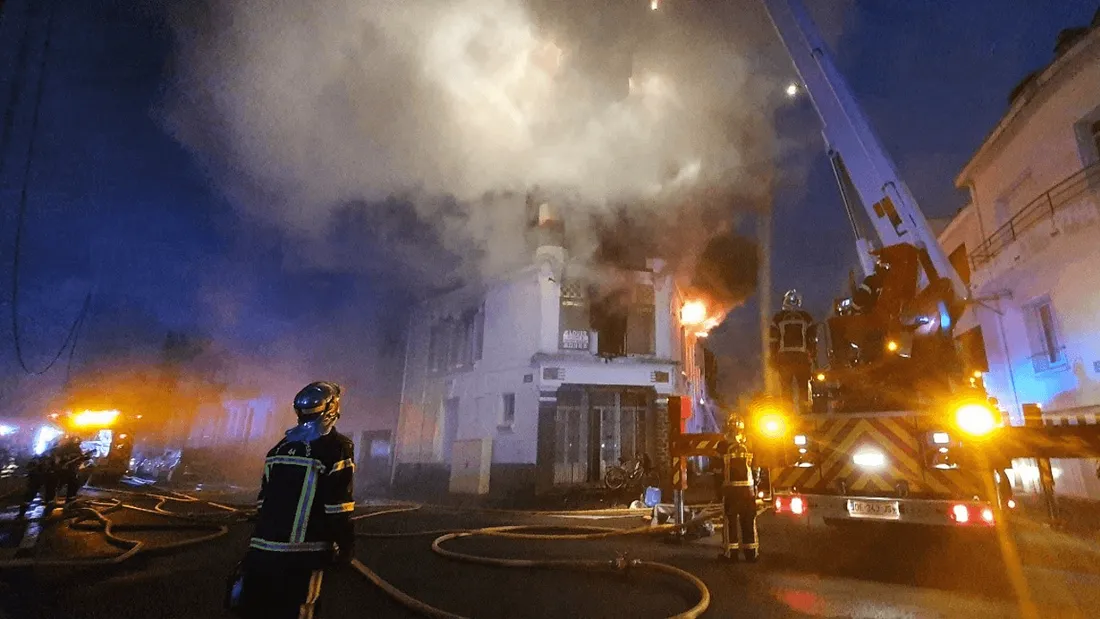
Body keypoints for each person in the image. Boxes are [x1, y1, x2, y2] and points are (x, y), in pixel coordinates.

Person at [242, 381, 356, 619]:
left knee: (260, 609)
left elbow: (263, 501)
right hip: (304, 552)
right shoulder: (336, 448)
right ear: (331, 408)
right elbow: (338, 506)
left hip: (263, 549)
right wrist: (345, 546)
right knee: (300, 609)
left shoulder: (279, 448)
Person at [769, 290, 817, 409]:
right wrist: (813, 354)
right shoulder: (806, 317)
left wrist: (773, 357)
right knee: (803, 386)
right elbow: (812, 339)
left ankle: (787, 412)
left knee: (786, 387)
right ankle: (805, 410)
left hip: (784, 359)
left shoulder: (778, 318)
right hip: (802, 358)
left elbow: (773, 340)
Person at [51, 436, 89, 508]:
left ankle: (67, 502)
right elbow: (58, 458)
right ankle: (58, 502)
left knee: (70, 484)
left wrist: (84, 458)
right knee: (66, 485)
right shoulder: (66, 448)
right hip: (66, 470)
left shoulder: (72, 448)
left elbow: (79, 458)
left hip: (69, 470)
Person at [19, 453, 56, 518]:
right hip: (34, 486)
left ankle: (47, 514)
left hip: (36, 485)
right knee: (28, 499)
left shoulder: (42, 467)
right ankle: (21, 515)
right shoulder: (37, 468)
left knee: (28, 499)